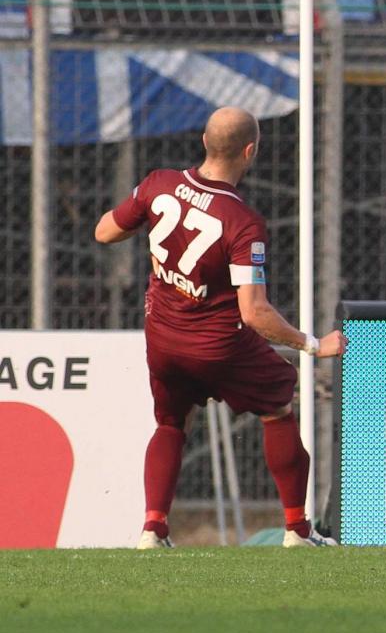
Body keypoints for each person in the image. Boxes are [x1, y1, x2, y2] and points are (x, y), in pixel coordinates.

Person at [94, 107, 346, 549]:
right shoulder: (242, 222)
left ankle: (153, 529)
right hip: (219, 345)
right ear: (249, 151)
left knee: (171, 423)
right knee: (278, 407)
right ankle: (297, 532)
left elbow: (104, 232)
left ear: (205, 143)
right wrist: (312, 344)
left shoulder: (158, 184)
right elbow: (255, 313)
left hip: (164, 338)